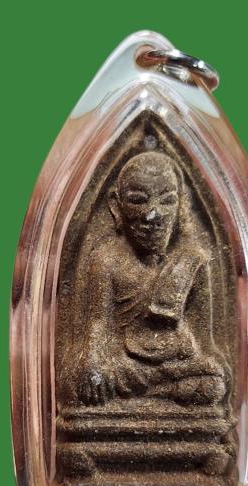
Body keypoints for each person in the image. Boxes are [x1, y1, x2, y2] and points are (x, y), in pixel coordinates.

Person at [76, 151, 230, 406]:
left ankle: (153, 392)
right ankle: (162, 390)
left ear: (181, 204)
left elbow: (206, 344)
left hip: (177, 360)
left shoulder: (194, 260)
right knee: (83, 380)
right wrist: (91, 362)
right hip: (126, 365)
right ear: (116, 206)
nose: (153, 215)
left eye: (167, 201)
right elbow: (98, 326)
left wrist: (210, 364)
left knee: (214, 382)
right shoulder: (106, 259)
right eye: (138, 201)